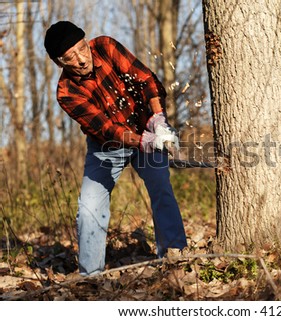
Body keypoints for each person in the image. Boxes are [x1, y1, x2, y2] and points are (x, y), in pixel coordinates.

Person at [44, 21, 187, 276]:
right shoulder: (66, 93)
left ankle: (174, 256)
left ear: (86, 42)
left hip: (147, 126)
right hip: (105, 147)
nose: (80, 59)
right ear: (60, 62)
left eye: (81, 49)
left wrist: (158, 120)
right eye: (70, 57)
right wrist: (144, 141)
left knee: (161, 187)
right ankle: (91, 276)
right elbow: (107, 129)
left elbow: (145, 79)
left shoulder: (105, 46)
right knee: (89, 208)